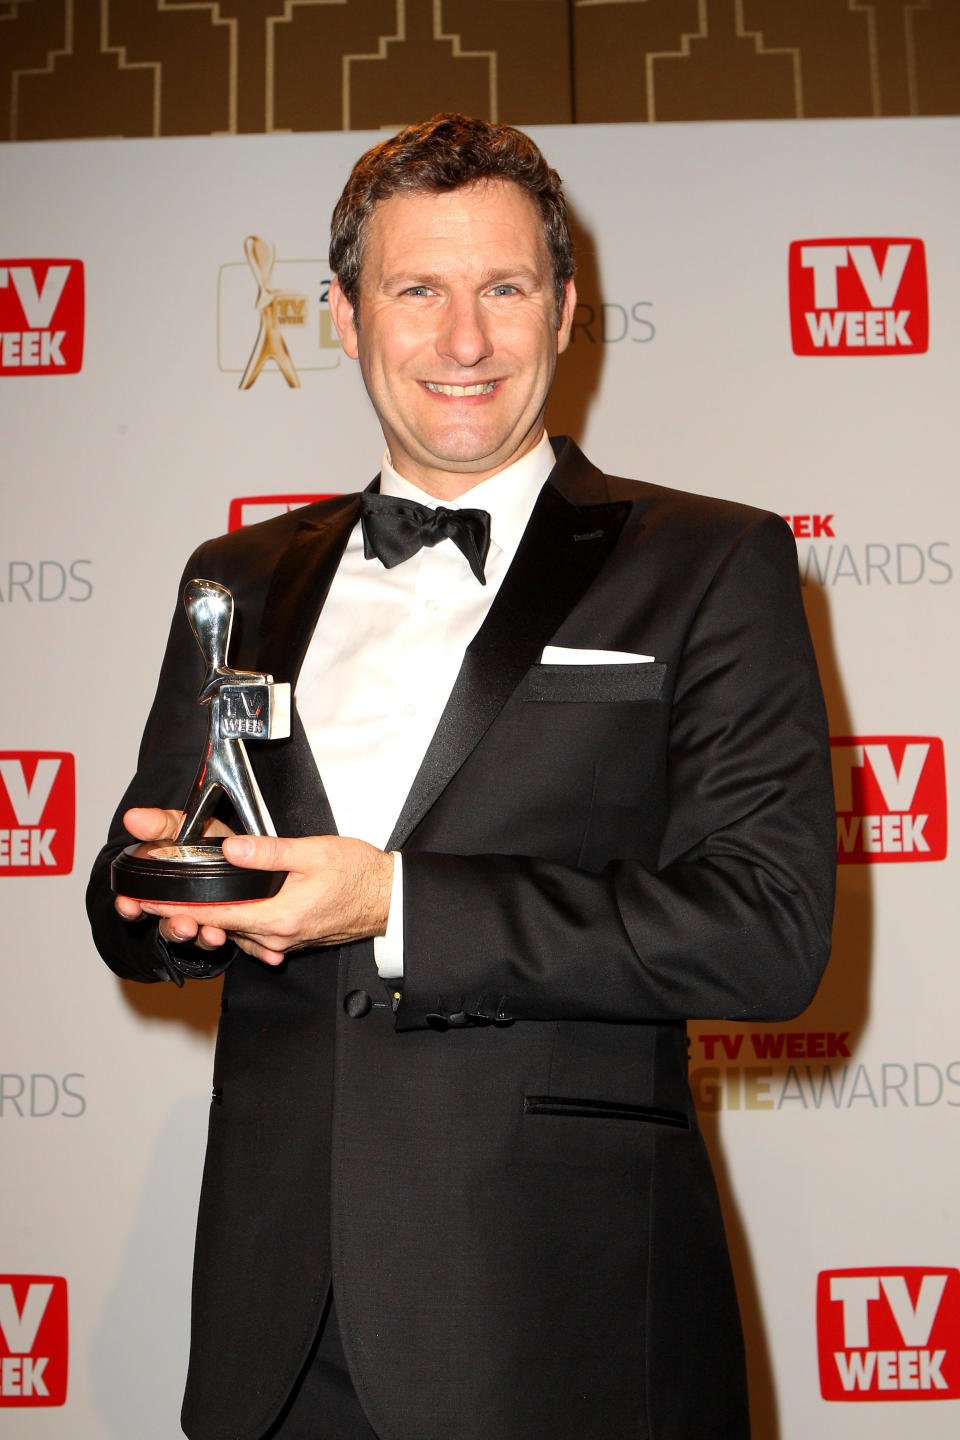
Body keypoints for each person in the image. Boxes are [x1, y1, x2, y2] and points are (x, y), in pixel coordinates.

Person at [87, 114, 836, 1440]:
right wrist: (157, 896)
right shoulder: (238, 576)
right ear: (342, 312)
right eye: (416, 291)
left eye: (503, 289)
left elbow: (766, 935)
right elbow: (146, 885)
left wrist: (397, 903)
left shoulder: (712, 562)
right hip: (278, 1322)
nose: (464, 342)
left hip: (564, 1322)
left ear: (563, 307)